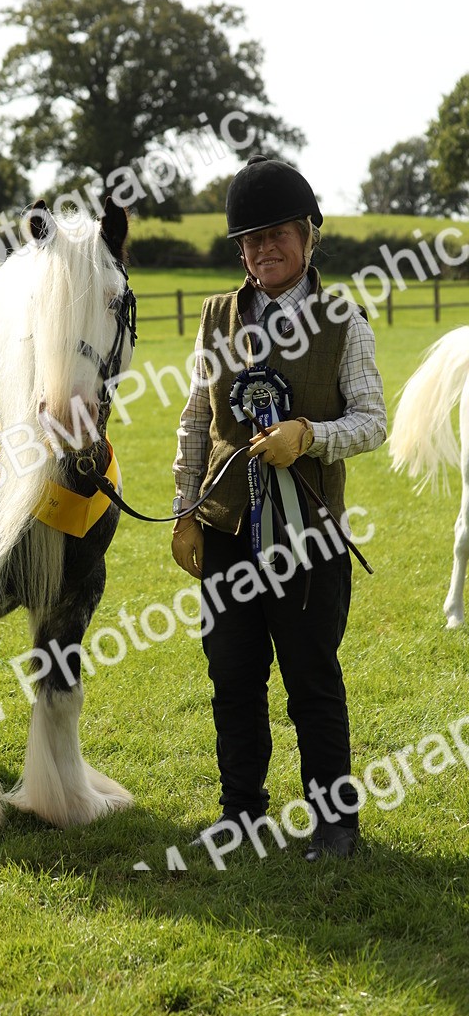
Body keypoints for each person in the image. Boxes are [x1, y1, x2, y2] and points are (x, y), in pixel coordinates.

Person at [171, 154, 386, 861]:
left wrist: (310, 437)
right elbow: (197, 416)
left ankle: (334, 823)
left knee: (311, 681)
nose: (264, 250)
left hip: (309, 536)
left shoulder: (344, 321)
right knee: (232, 679)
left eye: (278, 235)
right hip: (229, 530)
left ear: (309, 236)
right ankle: (242, 813)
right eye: (251, 240)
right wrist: (184, 511)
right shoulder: (216, 317)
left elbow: (373, 421)